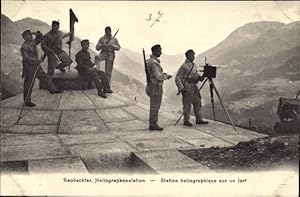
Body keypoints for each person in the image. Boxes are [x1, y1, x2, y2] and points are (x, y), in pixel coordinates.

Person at [20, 30, 62, 107]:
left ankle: (52, 89)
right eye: (28, 35)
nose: (30, 36)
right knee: (29, 84)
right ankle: (27, 101)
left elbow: (41, 38)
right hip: (29, 67)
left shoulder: (33, 42)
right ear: (25, 37)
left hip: (36, 66)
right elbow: (26, 58)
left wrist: (36, 33)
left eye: (30, 34)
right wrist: (37, 60)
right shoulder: (24, 47)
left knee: (45, 77)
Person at [175, 49, 208, 126]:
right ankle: (186, 120)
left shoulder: (194, 65)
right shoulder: (184, 66)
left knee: (197, 102)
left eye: (193, 55)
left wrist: (202, 76)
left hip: (194, 86)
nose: (193, 56)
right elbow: (177, 78)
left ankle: (199, 119)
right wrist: (181, 88)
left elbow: (195, 75)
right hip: (187, 85)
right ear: (188, 56)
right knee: (187, 104)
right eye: (192, 55)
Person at [146, 44, 172, 130]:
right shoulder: (153, 63)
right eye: (159, 50)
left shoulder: (150, 61)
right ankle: (153, 123)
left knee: (154, 105)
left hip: (153, 85)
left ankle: (153, 122)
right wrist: (166, 76)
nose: (161, 52)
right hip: (156, 86)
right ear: (155, 51)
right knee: (155, 105)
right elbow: (157, 76)